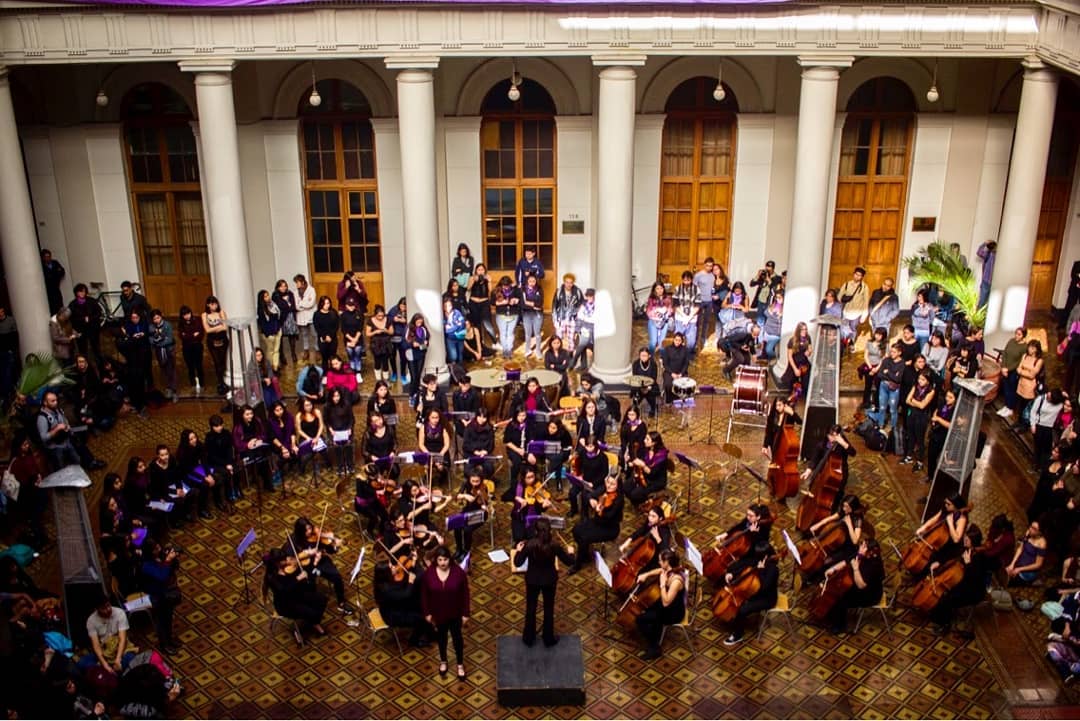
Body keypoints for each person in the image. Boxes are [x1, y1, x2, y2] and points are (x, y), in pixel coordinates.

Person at [514, 516, 574, 648]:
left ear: (536, 531)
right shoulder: (555, 545)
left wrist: (518, 551)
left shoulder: (530, 544)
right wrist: (571, 553)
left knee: (531, 609)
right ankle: (548, 638)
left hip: (532, 580)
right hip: (549, 580)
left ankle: (528, 638)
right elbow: (569, 562)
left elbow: (517, 562)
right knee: (548, 609)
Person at [420, 545, 471, 680]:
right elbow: (424, 595)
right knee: (441, 639)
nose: (443, 563)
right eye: (440, 560)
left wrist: (466, 613)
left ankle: (460, 664)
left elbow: (465, 594)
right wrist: (427, 613)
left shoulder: (459, 573)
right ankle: (443, 661)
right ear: (436, 560)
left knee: (457, 639)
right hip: (438, 614)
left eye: (445, 559)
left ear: (450, 559)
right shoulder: (428, 574)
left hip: (455, 614)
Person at [927, 525, 989, 636]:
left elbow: (974, 580)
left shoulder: (979, 558)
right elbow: (953, 558)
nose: (964, 539)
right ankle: (936, 615)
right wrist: (939, 563)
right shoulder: (966, 549)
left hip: (973, 591)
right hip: (962, 582)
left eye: (967, 539)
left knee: (947, 598)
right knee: (946, 592)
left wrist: (968, 564)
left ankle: (944, 625)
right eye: (965, 537)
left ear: (973, 542)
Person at [263, 548, 327, 644]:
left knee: (322, 599)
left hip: (296, 594)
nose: (288, 560)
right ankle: (302, 627)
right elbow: (284, 591)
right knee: (312, 612)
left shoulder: (288, 567)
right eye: (284, 560)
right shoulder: (272, 577)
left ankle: (314, 622)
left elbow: (300, 578)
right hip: (285, 604)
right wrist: (298, 578)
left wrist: (313, 562)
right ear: (277, 563)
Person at [633, 548, 687, 661]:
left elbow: (666, 602)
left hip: (674, 612)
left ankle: (655, 648)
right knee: (647, 610)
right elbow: (659, 571)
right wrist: (645, 575)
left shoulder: (676, 581)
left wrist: (662, 585)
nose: (659, 563)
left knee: (640, 620)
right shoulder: (668, 569)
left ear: (667, 562)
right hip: (666, 607)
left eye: (660, 561)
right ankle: (655, 634)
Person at [823, 539, 885, 634]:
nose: (860, 548)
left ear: (871, 552)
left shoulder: (874, 565)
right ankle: (833, 615)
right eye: (862, 545)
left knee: (842, 598)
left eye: (864, 547)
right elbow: (846, 562)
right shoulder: (860, 554)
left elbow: (861, 585)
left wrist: (856, 568)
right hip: (858, 586)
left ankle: (840, 626)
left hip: (870, 595)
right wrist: (832, 569)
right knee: (840, 590)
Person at [722, 545, 781, 645]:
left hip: (766, 599)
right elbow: (746, 567)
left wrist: (761, 570)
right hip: (756, 593)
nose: (756, 558)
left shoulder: (773, 570)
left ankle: (737, 635)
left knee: (742, 610)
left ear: (765, 556)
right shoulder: (759, 560)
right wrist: (732, 574)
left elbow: (764, 587)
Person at [569, 473, 623, 574]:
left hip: (609, 528)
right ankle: (584, 554)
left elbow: (609, 516)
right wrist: (591, 500)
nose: (609, 486)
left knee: (584, 537)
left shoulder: (619, 500)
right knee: (576, 529)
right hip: (598, 521)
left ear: (618, 486)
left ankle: (578, 564)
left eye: (613, 484)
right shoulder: (604, 489)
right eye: (608, 482)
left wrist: (599, 509)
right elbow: (591, 494)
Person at [373, 557, 430, 647]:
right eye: (391, 567)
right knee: (422, 618)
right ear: (386, 573)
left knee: (420, 605)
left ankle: (430, 632)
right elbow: (405, 595)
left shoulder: (383, 582)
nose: (394, 567)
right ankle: (413, 641)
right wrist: (410, 582)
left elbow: (400, 593)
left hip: (395, 605)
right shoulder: (386, 589)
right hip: (392, 615)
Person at [139, 541, 182, 654]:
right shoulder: (146, 565)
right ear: (150, 552)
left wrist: (172, 559)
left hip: (165, 593)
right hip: (156, 596)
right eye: (156, 548)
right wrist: (167, 561)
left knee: (168, 618)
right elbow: (161, 576)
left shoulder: (159, 557)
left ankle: (170, 639)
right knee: (160, 621)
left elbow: (173, 568)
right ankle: (164, 645)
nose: (159, 548)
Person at [800, 425, 856, 511]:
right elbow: (815, 458)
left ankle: (833, 507)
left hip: (839, 471)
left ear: (838, 435)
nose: (831, 438)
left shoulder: (842, 442)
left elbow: (853, 453)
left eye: (834, 436)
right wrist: (808, 470)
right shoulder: (823, 443)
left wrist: (843, 443)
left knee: (837, 492)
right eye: (830, 435)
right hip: (824, 470)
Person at [81, 590, 134, 674]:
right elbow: (96, 645)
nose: (108, 609)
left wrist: (118, 659)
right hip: (104, 650)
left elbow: (122, 639)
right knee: (82, 664)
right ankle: (107, 673)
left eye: (108, 605)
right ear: (97, 609)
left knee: (129, 659)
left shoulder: (120, 613)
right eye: (103, 608)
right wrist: (104, 664)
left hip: (119, 649)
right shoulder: (91, 621)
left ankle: (111, 674)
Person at [36, 390, 80, 471]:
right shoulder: (42, 418)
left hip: (66, 441)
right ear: (45, 403)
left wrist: (67, 425)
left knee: (77, 460)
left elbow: (64, 419)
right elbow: (43, 437)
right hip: (56, 447)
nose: (56, 402)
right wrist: (56, 429)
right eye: (52, 401)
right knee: (61, 469)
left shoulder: (57, 409)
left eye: (56, 400)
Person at [624, 431, 671, 506]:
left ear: (654, 443)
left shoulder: (661, 456)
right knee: (626, 487)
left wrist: (643, 465)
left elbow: (652, 473)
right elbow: (639, 458)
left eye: (647, 439)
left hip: (655, 481)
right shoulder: (646, 449)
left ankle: (644, 503)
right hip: (643, 474)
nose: (644, 440)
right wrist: (631, 462)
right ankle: (638, 503)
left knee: (634, 494)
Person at [453, 470, 492, 561]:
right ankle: (459, 549)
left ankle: (466, 551)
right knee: (456, 526)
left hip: (479, 513)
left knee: (467, 529)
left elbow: (484, 502)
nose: (475, 483)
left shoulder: (484, 487)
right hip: (468, 510)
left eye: (477, 481)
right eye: (472, 481)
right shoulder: (466, 484)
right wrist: (464, 496)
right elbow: (457, 496)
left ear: (481, 480)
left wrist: (483, 505)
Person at [902, 371, 936, 471]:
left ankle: (920, 461)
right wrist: (916, 402)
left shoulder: (931, 391)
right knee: (911, 435)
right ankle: (909, 456)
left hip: (922, 417)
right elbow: (907, 400)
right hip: (911, 413)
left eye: (923, 379)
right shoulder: (915, 386)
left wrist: (914, 401)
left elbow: (923, 406)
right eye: (919, 379)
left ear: (928, 381)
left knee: (920, 439)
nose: (920, 381)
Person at [868, 343, 905, 429]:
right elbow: (880, 374)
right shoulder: (886, 360)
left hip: (894, 389)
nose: (892, 353)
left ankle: (893, 427)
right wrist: (892, 375)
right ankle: (880, 425)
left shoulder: (902, 363)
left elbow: (898, 379)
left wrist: (888, 372)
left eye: (894, 352)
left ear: (899, 353)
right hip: (883, 386)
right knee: (882, 407)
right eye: (891, 351)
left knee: (893, 409)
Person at [997, 327, 1029, 419]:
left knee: (1012, 389)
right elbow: (1005, 353)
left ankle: (1010, 407)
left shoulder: (1024, 347)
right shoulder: (1011, 341)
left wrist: (1009, 369)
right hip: (1005, 369)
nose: (1016, 336)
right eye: (1016, 333)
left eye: (1019, 334)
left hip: (1013, 371)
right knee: (1006, 388)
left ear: (1023, 336)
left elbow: (1019, 362)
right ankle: (1006, 405)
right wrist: (1003, 367)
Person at [68, 283, 103, 363]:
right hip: (80, 330)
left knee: (96, 348)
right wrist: (82, 319)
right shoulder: (72, 304)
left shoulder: (91, 301)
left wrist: (90, 318)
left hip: (93, 328)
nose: (82, 293)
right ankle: (86, 365)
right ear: (76, 293)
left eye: (84, 291)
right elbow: (71, 318)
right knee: (83, 350)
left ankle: (100, 363)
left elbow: (99, 313)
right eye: (80, 292)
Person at [202, 296, 230, 395]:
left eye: (215, 303)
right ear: (208, 305)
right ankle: (220, 382)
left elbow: (225, 327)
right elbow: (207, 330)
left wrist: (213, 328)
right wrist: (218, 326)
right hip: (212, 341)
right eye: (212, 304)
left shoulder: (221, 313)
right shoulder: (204, 315)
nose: (214, 306)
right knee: (216, 362)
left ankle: (224, 382)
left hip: (223, 339)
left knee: (222, 361)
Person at [148, 309, 178, 401]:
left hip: (169, 350)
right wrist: (157, 342)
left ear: (161, 316)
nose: (157, 320)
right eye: (154, 319)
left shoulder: (167, 325)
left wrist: (159, 343)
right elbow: (150, 339)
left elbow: (170, 339)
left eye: (158, 318)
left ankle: (174, 391)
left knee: (171, 370)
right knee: (164, 369)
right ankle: (168, 388)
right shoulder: (151, 327)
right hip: (159, 352)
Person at [324, 388, 355, 475]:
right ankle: (340, 466)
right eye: (334, 396)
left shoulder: (346, 404)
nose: (336, 398)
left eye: (338, 396)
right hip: (334, 430)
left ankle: (350, 465)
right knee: (337, 447)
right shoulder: (327, 406)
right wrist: (331, 430)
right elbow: (326, 420)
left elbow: (351, 419)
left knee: (348, 446)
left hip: (346, 429)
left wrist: (349, 429)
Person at [1005, 520, 1047, 586]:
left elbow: (1038, 564)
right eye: (1031, 526)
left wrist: (1019, 569)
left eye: (1034, 529)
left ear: (1040, 532)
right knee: (1005, 573)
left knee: (1010, 583)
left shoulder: (1042, 544)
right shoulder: (1028, 533)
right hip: (1020, 564)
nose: (1030, 529)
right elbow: (1020, 549)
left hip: (1027, 572)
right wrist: (1012, 564)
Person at [926, 388, 955, 482]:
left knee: (943, 459)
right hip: (935, 434)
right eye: (947, 396)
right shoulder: (943, 404)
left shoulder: (955, 410)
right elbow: (936, 411)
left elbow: (951, 425)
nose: (947, 399)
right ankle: (930, 476)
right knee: (931, 456)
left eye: (950, 397)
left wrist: (938, 419)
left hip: (945, 437)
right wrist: (934, 419)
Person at [838, 266, 870, 349]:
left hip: (857, 313)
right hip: (846, 311)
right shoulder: (846, 284)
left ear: (862, 277)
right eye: (856, 274)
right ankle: (843, 343)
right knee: (844, 328)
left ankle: (852, 342)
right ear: (853, 274)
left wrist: (864, 315)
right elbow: (839, 297)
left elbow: (866, 302)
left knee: (853, 328)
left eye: (859, 275)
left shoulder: (864, 287)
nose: (857, 276)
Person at [552, 273, 583, 353]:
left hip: (572, 318)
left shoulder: (577, 291)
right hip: (561, 317)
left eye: (571, 282)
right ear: (564, 282)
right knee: (558, 339)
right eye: (567, 282)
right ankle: (558, 355)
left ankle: (570, 355)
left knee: (571, 338)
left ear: (573, 283)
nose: (569, 284)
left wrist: (577, 314)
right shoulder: (559, 291)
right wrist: (555, 320)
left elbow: (582, 303)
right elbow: (554, 306)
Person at [177, 305, 205, 392]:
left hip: (197, 346)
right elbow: (182, 336)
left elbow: (201, 333)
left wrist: (188, 335)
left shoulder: (197, 320)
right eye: (184, 314)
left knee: (199, 366)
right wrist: (193, 335)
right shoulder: (181, 323)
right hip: (187, 347)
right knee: (190, 367)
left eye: (188, 313)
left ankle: (202, 384)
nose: (187, 316)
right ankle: (193, 383)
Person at [272, 278, 300, 367]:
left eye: (285, 286)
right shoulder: (275, 295)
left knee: (292, 336)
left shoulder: (290, 294)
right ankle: (282, 356)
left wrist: (287, 305)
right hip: (281, 319)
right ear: (278, 287)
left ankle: (293, 354)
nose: (283, 288)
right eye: (281, 286)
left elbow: (293, 306)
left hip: (291, 318)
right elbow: (280, 306)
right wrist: (286, 303)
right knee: (280, 338)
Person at [492, 275, 521, 360]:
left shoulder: (515, 290)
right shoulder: (496, 290)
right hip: (501, 315)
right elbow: (492, 302)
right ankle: (505, 350)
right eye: (504, 286)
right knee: (503, 333)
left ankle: (509, 349)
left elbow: (521, 300)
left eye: (507, 286)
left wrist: (516, 300)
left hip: (513, 314)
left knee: (510, 333)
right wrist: (501, 303)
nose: (506, 287)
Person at [672, 271, 701, 352]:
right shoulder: (677, 288)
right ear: (682, 280)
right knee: (678, 339)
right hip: (680, 317)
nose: (686, 282)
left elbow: (697, 306)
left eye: (688, 280)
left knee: (691, 343)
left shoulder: (697, 289)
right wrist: (684, 317)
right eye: (684, 280)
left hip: (692, 317)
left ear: (691, 280)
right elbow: (675, 305)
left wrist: (688, 318)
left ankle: (687, 354)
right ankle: (679, 354)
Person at [466, 263, 495, 345]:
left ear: (485, 271)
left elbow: (490, 291)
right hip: (473, 303)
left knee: (487, 323)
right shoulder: (472, 277)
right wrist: (473, 281)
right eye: (479, 270)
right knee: (476, 323)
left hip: (484, 302)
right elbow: (468, 288)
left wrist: (489, 281)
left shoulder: (487, 278)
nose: (480, 271)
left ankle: (494, 342)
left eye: (482, 270)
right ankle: (480, 342)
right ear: (476, 271)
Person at [366, 304, 395, 383]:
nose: (381, 317)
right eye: (379, 316)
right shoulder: (370, 320)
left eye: (382, 315)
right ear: (375, 315)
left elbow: (392, 332)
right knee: (377, 361)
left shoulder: (388, 320)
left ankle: (386, 379)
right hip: (376, 344)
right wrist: (375, 331)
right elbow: (367, 333)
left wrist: (386, 331)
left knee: (385, 362)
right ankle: (378, 379)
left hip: (386, 343)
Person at [693, 258, 717, 351]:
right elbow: (694, 288)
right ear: (704, 265)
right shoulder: (698, 275)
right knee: (697, 322)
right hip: (700, 301)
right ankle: (695, 340)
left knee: (706, 321)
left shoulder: (713, 275)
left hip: (709, 301)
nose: (709, 267)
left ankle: (704, 338)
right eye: (707, 265)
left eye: (711, 266)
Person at [257, 289, 283, 373]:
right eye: (265, 296)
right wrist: (268, 334)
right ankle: (270, 367)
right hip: (269, 334)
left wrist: (279, 329)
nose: (268, 297)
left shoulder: (273, 305)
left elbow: (278, 316)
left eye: (268, 295)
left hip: (277, 330)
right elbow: (263, 323)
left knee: (276, 350)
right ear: (262, 299)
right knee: (270, 351)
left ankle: (275, 367)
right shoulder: (261, 310)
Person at [293, 274, 318, 364]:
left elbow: (311, 304)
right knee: (304, 334)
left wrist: (302, 304)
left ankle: (317, 350)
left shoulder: (311, 290)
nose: (296, 285)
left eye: (298, 282)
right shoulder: (295, 293)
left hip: (310, 316)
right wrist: (303, 305)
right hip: (301, 316)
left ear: (302, 282)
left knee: (314, 334)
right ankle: (306, 350)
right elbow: (296, 305)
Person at [660, 332, 690, 404]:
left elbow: (686, 364)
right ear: (673, 340)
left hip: (681, 372)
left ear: (682, 341)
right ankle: (669, 399)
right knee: (668, 384)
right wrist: (672, 373)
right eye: (676, 340)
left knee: (683, 384)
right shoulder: (667, 349)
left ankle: (678, 399)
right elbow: (665, 364)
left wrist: (681, 374)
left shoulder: (685, 350)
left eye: (679, 340)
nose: (677, 342)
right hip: (669, 372)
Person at [406, 313, 430, 402]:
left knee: (418, 375)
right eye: (418, 321)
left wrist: (426, 343)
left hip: (420, 354)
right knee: (413, 375)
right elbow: (405, 341)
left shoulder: (424, 329)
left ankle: (416, 393)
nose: (419, 323)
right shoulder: (409, 328)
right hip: (411, 354)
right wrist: (412, 344)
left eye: (421, 321)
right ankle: (411, 395)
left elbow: (427, 339)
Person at [571, 288, 597, 371]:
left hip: (595, 329)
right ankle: (580, 365)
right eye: (588, 296)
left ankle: (594, 366)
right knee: (581, 348)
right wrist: (576, 331)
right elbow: (579, 319)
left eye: (591, 296)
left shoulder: (599, 305)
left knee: (593, 349)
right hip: (585, 327)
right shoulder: (583, 305)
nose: (590, 298)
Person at [630, 347, 660, 418]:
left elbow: (654, 378)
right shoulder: (636, 364)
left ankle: (652, 409)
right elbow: (635, 377)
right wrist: (641, 387)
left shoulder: (653, 364)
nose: (643, 357)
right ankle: (635, 409)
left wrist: (648, 387)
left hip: (650, 385)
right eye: (641, 356)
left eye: (645, 356)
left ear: (649, 356)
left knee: (652, 394)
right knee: (635, 393)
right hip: (639, 385)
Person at [340, 296, 365, 380]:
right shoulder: (343, 315)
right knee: (351, 356)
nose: (351, 307)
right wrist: (351, 339)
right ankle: (352, 372)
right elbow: (343, 329)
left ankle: (358, 372)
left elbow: (360, 328)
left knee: (357, 356)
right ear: (346, 306)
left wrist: (355, 339)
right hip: (348, 339)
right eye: (349, 305)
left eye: (353, 305)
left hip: (358, 338)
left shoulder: (359, 314)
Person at [520, 274, 544, 361]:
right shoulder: (522, 290)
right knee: (528, 333)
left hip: (537, 314)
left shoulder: (539, 289)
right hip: (526, 314)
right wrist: (534, 304)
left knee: (537, 333)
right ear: (527, 281)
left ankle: (538, 350)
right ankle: (527, 349)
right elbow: (522, 304)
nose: (532, 283)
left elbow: (540, 303)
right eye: (530, 281)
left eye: (533, 281)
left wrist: (529, 303)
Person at [313, 296, 340, 369]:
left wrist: (330, 336)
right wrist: (325, 337)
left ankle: (333, 373)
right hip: (322, 339)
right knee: (324, 357)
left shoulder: (333, 312)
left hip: (333, 338)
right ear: (321, 304)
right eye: (325, 303)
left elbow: (336, 326)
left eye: (328, 303)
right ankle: (325, 374)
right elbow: (317, 327)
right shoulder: (317, 314)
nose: (327, 305)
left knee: (333, 357)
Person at [645, 282, 672, 353]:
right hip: (653, 322)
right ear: (654, 290)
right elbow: (648, 312)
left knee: (662, 341)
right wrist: (657, 310)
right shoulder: (651, 299)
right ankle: (650, 356)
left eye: (661, 288)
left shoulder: (667, 298)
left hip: (664, 322)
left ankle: (663, 358)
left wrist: (666, 312)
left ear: (663, 289)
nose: (660, 290)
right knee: (653, 341)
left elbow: (670, 310)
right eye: (657, 288)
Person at [749, 261, 778, 327]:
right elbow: (751, 284)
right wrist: (757, 275)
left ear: (773, 268)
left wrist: (768, 279)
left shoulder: (777, 278)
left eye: (769, 268)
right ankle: (760, 334)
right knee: (760, 320)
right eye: (767, 267)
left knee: (767, 319)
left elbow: (774, 288)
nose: (767, 269)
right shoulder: (763, 276)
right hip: (761, 300)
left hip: (769, 302)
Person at [40, 249, 66, 314]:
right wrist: (55, 274)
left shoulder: (55, 263)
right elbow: (47, 278)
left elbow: (62, 271)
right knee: (52, 309)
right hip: (49, 291)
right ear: (43, 258)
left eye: (49, 256)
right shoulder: (41, 266)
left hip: (56, 288)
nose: (48, 258)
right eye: (46, 257)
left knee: (60, 306)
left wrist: (55, 275)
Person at [443, 297, 467, 365]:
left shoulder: (457, 313)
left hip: (460, 337)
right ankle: (454, 371)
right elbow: (446, 330)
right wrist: (456, 326)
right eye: (446, 306)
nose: (448, 308)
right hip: (450, 339)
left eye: (449, 305)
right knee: (453, 356)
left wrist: (452, 328)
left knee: (460, 354)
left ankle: (461, 369)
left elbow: (462, 324)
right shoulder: (443, 316)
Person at [976, 241, 996, 310]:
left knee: (990, 304)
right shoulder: (988, 254)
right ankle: (977, 319)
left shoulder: (1000, 256)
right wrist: (985, 243)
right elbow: (979, 252)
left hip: (995, 283)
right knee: (982, 302)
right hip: (986, 282)